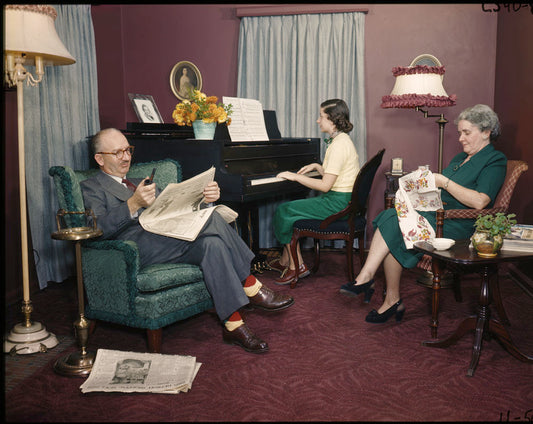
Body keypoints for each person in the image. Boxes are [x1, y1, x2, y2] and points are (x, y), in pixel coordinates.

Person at [81, 128, 295, 354]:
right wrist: (133, 204)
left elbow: (178, 208)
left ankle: (233, 324)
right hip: (132, 251)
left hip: (167, 240)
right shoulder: (91, 187)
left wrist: (204, 200)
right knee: (212, 221)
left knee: (212, 243)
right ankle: (251, 285)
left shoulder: (139, 181)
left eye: (127, 150)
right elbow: (96, 230)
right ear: (99, 159)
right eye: (117, 153)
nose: (126, 157)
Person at [340, 104, 507, 323]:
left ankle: (375, 286)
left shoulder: (495, 160)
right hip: (437, 215)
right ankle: (383, 292)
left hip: (460, 225)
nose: (460, 139)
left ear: (486, 132)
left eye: (467, 133)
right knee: (394, 220)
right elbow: (440, 192)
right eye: (460, 133)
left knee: (392, 221)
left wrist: (443, 182)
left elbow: (480, 201)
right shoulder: (459, 159)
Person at [270, 99, 360, 285]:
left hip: (337, 203)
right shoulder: (342, 140)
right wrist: (317, 167)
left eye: (321, 116)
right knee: (289, 210)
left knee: (284, 211)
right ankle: (285, 261)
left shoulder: (338, 146)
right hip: (344, 199)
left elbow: (325, 186)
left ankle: (298, 266)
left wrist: (294, 177)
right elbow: (337, 174)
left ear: (332, 119)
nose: (318, 121)